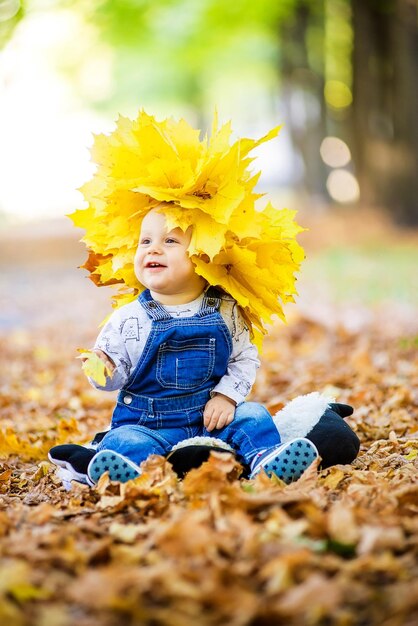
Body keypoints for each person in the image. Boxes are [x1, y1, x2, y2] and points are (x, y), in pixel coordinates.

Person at [69, 205, 318, 485]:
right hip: (148, 424)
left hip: (212, 419)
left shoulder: (225, 311)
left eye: (170, 241)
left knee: (253, 415)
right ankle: (137, 475)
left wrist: (226, 397)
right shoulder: (128, 318)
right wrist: (102, 369)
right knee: (123, 439)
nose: (153, 249)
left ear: (204, 255)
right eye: (145, 241)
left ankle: (265, 461)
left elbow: (244, 358)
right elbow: (116, 375)